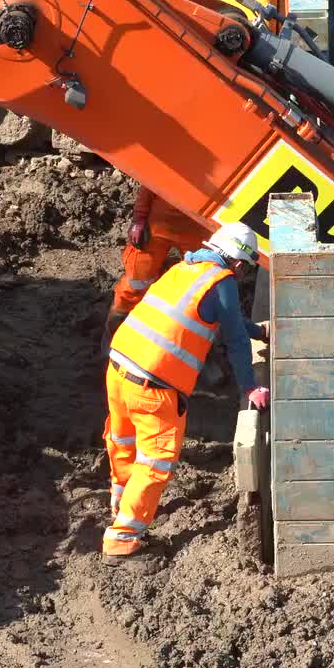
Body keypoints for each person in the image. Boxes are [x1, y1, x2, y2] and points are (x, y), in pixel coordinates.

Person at [101, 222, 270, 569]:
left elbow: (229, 321)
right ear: (238, 264)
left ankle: (119, 504)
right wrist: (251, 387)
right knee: (155, 463)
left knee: (122, 441)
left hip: (119, 368)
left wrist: (259, 330)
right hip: (155, 387)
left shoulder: (185, 268)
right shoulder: (221, 282)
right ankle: (122, 539)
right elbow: (236, 341)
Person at [102, 185, 213, 346]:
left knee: (200, 287)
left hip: (199, 222)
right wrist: (139, 218)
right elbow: (152, 180)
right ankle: (113, 334)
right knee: (136, 282)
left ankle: (191, 341)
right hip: (161, 223)